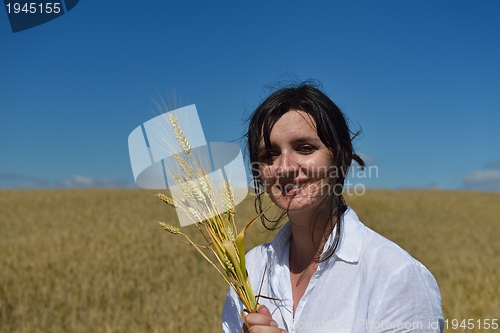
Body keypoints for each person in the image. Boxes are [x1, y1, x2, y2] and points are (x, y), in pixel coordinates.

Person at [222, 82, 443, 333]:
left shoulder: (395, 275)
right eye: (269, 154)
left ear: (340, 158)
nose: (284, 167)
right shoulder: (250, 269)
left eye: (304, 148)